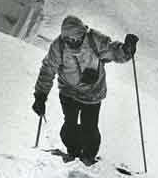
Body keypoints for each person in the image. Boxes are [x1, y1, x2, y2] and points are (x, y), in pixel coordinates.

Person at [32, 15, 139, 166]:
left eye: (75, 39)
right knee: (69, 125)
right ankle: (73, 152)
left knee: (89, 127)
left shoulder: (94, 40)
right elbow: (48, 69)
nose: (71, 42)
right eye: (68, 39)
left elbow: (112, 51)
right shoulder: (59, 46)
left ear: (82, 34)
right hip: (68, 92)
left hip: (93, 93)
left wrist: (126, 50)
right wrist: (40, 96)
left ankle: (88, 157)